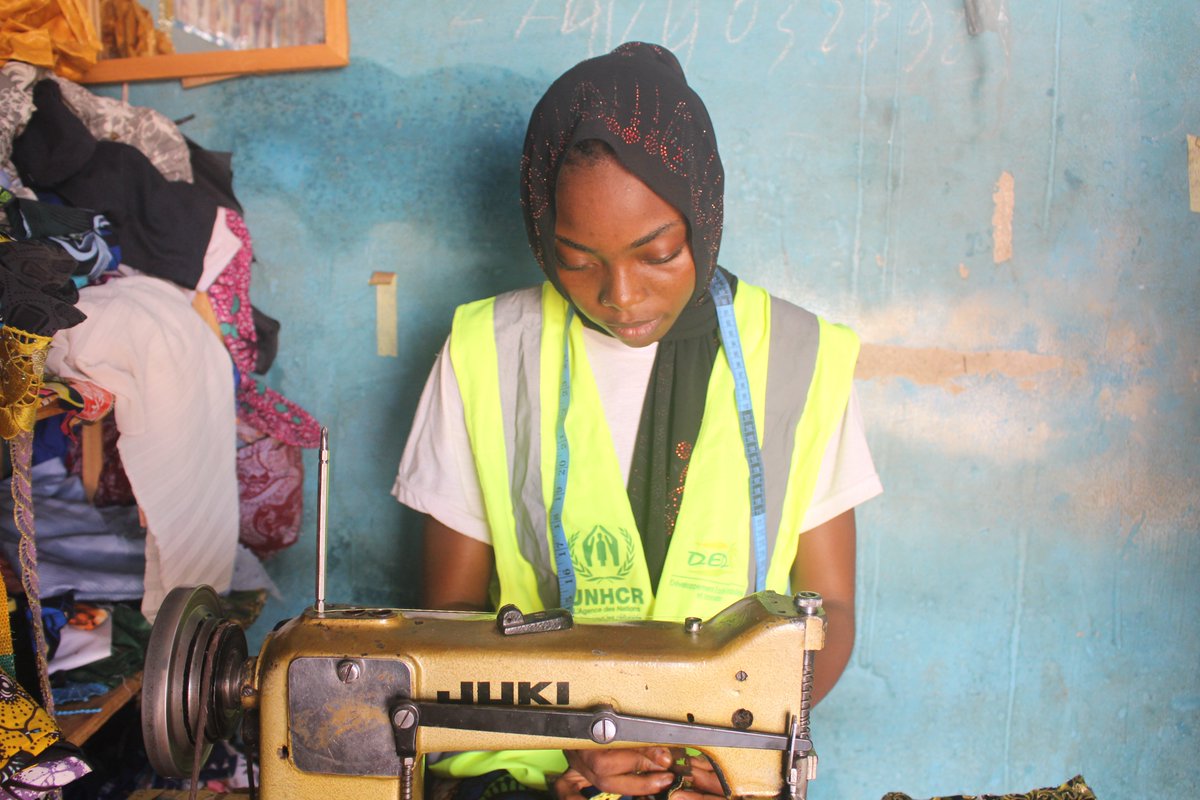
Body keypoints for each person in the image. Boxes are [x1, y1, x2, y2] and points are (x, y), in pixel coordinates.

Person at [393, 42, 882, 800]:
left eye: (657, 253)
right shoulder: (486, 352)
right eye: (577, 259)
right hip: (527, 777)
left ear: (702, 216)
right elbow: (446, 622)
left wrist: (734, 735)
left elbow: (832, 606)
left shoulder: (800, 355)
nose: (620, 294)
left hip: (720, 777)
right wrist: (571, 747)